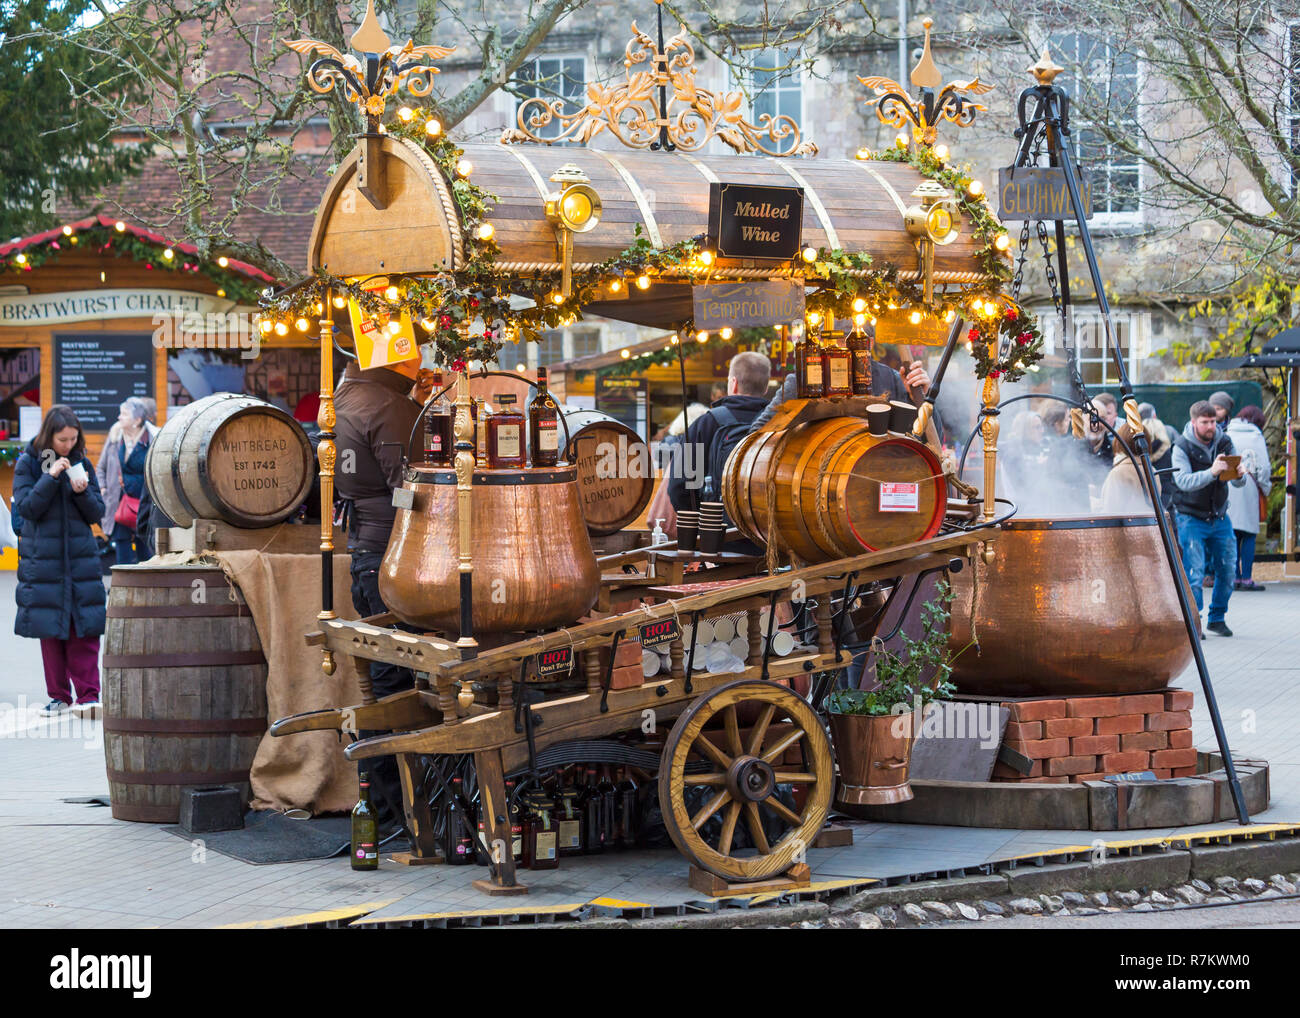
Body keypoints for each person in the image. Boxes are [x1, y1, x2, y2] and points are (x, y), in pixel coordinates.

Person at [334, 350, 434, 835]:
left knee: (385, 682)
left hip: (369, 556)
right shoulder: (386, 406)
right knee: (397, 686)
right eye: (415, 353)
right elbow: (413, 490)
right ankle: (399, 812)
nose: (421, 361)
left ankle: (383, 806)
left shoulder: (354, 394)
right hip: (394, 562)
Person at [12, 406, 107, 716]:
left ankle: (90, 696)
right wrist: (51, 478)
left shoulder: (82, 463)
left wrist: (81, 493)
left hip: (80, 561)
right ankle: (59, 697)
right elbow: (26, 508)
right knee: (51, 631)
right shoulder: (29, 463)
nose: (68, 445)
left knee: (85, 629)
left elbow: (96, 513)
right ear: (49, 436)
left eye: (73, 438)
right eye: (63, 439)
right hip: (44, 562)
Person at [749, 327, 932, 433]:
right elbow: (757, 434)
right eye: (832, 341)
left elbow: (922, 438)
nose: (840, 349)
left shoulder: (893, 380)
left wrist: (920, 398)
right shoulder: (803, 382)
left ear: (869, 344)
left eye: (848, 341)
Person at [1171, 400, 1246, 636]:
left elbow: (1236, 481)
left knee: (1228, 571)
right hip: (1190, 516)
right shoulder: (1181, 446)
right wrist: (1211, 472)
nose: (1210, 426)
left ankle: (1217, 618)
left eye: (1213, 421)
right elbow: (1182, 482)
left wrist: (1240, 476)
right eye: (1205, 422)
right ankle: (1195, 622)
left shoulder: (1224, 441)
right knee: (1194, 574)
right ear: (1194, 422)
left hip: (1219, 515)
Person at [666, 352, 772, 511]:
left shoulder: (705, 423)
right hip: (767, 529)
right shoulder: (779, 423)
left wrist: (703, 524)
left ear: (733, 383)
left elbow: (678, 487)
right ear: (765, 387)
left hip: (717, 529)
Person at [96, 397, 159, 566]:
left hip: (145, 505)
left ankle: (145, 588)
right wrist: (103, 488)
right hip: (119, 504)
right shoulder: (115, 437)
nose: (119, 417)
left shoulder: (154, 438)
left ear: (137, 420)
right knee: (121, 549)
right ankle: (121, 587)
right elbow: (100, 467)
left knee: (145, 551)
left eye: (124, 414)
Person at [1226, 405, 1272, 591]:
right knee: (1249, 534)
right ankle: (1247, 578)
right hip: (1249, 488)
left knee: (1234, 533)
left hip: (1228, 485)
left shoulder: (1227, 432)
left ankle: (1234, 577)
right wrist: (1265, 488)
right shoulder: (1256, 437)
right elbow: (1264, 467)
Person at [1100, 418, 1171, 514]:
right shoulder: (1152, 470)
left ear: (1120, 442)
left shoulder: (1118, 473)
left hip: (1125, 527)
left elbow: (1110, 511)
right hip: (1149, 526)